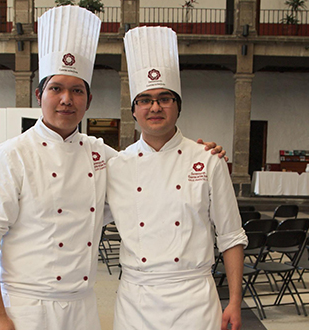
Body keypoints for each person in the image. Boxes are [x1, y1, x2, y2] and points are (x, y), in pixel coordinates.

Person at [0, 6, 226, 330]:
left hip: (82, 308)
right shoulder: (12, 155)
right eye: (56, 89)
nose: (66, 99)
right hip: (23, 306)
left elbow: (151, 167)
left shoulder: (101, 154)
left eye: (76, 90)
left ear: (88, 101)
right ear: (40, 95)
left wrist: (204, 155)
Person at [106, 26, 248, 330]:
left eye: (164, 98)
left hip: (194, 299)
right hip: (136, 300)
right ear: (134, 110)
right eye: (144, 100)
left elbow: (231, 235)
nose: (155, 107)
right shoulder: (116, 165)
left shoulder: (208, 159)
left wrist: (234, 301)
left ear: (177, 106)